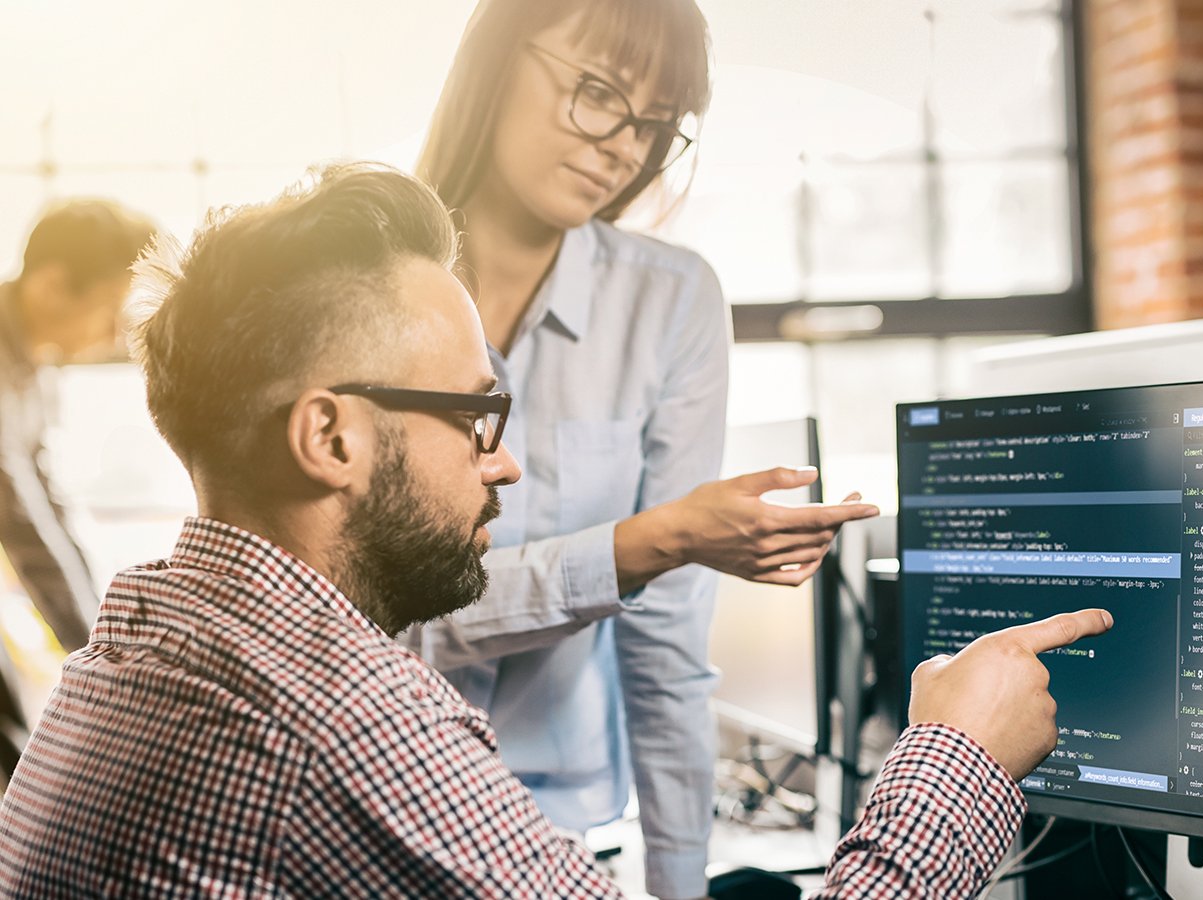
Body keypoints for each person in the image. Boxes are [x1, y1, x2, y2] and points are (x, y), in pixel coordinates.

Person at [0, 164, 1112, 896]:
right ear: (329, 438)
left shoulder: (141, 653)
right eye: (476, 415)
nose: (508, 461)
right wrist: (958, 756)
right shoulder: (338, 720)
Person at [410, 2, 875, 894]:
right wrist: (648, 541)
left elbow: (667, 638)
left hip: (557, 831)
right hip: (379, 799)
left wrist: (678, 882)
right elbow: (368, 620)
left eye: (657, 124)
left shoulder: (672, 301)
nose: (625, 146)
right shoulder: (374, 284)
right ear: (497, 61)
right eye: (597, 93)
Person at [0, 199, 155, 777]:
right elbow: (22, 523)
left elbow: (48, 502)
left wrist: (102, 631)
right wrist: (96, 655)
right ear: (52, 285)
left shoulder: (30, 366)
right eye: (109, 313)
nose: (113, 336)